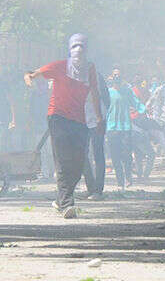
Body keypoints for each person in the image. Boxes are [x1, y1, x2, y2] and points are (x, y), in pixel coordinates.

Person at [24, 33, 102, 219]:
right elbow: (32, 74)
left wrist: (99, 118)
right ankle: (67, 203)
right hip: (58, 117)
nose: (78, 51)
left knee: (79, 161)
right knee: (63, 160)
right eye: (75, 46)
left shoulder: (90, 69)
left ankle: (60, 200)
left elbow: (95, 93)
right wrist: (29, 81)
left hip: (79, 120)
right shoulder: (60, 66)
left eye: (82, 47)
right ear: (70, 49)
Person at [106, 69, 147, 188]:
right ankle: (120, 181)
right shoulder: (108, 92)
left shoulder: (127, 91)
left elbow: (136, 103)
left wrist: (144, 110)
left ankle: (128, 177)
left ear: (122, 77)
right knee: (115, 156)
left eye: (119, 75)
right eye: (114, 75)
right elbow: (102, 107)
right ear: (111, 78)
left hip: (125, 127)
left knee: (126, 154)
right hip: (111, 128)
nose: (116, 77)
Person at [83, 70, 110, 199]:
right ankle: (91, 187)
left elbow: (106, 98)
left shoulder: (97, 76)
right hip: (81, 118)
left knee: (98, 153)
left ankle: (98, 190)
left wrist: (102, 118)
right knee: (82, 153)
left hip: (98, 119)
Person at [28, 74, 54, 179]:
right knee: (41, 152)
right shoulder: (34, 96)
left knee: (51, 151)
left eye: (43, 84)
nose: (41, 86)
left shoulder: (50, 96)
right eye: (39, 84)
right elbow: (31, 111)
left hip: (49, 128)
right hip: (38, 128)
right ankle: (45, 172)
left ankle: (52, 172)